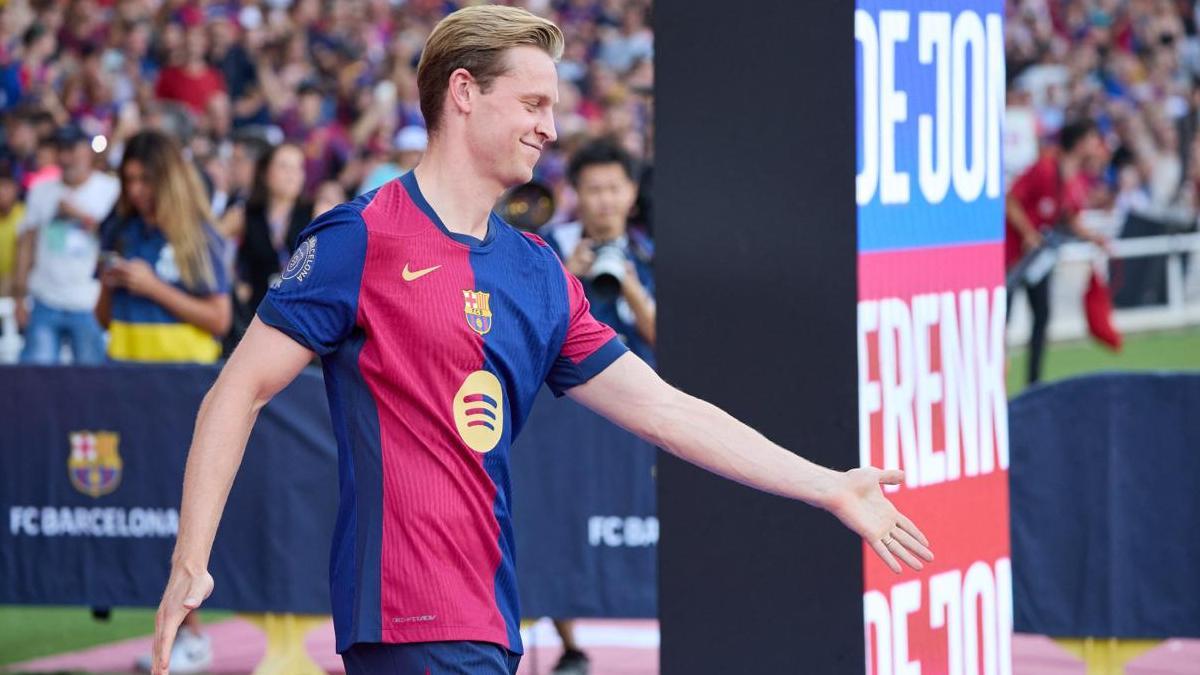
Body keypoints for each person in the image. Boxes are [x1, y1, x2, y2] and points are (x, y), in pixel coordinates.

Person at [151, 7, 933, 675]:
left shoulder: (538, 274)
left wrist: (826, 483)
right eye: (532, 103)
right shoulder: (362, 238)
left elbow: (665, 409)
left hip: (494, 621)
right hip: (405, 620)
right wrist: (192, 555)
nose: (550, 128)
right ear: (463, 93)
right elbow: (237, 390)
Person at [93, 129, 230, 673]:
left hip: (183, 390)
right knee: (143, 508)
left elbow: (220, 320)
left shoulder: (197, 235)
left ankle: (192, 632)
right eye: (129, 179)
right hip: (125, 384)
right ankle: (176, 633)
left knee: (179, 514)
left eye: (145, 178)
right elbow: (103, 318)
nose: (137, 189)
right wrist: (111, 284)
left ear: (168, 178)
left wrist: (153, 287)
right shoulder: (122, 230)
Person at [1005, 119, 1110, 385]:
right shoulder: (1044, 169)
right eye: (1092, 139)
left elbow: (1069, 216)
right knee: (1001, 321)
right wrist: (1029, 233)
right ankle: (997, 381)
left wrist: (1093, 238)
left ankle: (1034, 383)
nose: (1096, 146)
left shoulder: (1074, 179)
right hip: (1014, 258)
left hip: (1039, 259)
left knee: (1042, 317)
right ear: (1079, 143)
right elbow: (1011, 200)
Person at [544, 137, 655, 368]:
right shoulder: (551, 246)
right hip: (569, 383)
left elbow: (659, 338)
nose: (606, 200)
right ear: (576, 192)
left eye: (614, 188)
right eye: (594, 190)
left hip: (636, 379)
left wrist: (632, 290)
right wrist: (565, 274)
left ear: (632, 191)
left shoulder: (646, 253)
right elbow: (532, 323)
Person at [12, 125, 119, 364]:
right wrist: (20, 296)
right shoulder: (41, 190)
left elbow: (115, 242)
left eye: (72, 149)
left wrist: (81, 217)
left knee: (91, 384)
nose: (66, 157)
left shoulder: (110, 190)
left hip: (89, 301)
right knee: (36, 380)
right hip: (45, 298)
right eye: (61, 150)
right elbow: (26, 244)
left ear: (88, 152)